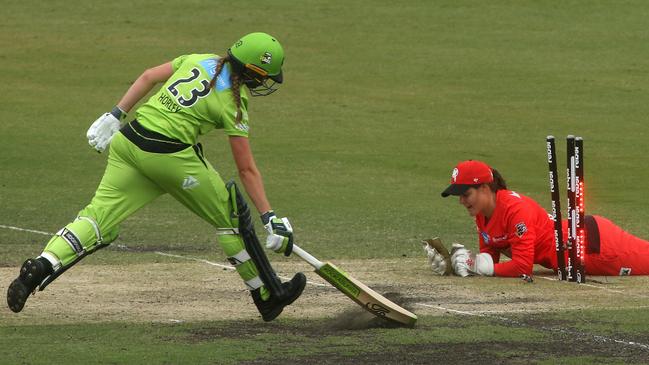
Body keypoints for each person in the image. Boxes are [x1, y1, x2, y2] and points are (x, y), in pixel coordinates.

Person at [7, 32, 306, 321]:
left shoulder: (200, 59)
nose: (265, 82)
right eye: (265, 76)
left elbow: (149, 75)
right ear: (252, 71)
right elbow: (246, 169)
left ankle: (43, 264)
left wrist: (115, 114)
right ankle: (266, 296)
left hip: (128, 143)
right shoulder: (234, 100)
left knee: (98, 218)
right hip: (170, 159)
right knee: (231, 219)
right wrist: (269, 216)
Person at [425, 159, 649, 278]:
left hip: (594, 248)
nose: (462, 202)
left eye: (466, 195)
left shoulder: (514, 209)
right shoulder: (482, 214)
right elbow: (490, 261)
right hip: (575, 251)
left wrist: (478, 266)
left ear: (484, 188)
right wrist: (457, 267)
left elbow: (522, 267)